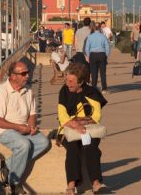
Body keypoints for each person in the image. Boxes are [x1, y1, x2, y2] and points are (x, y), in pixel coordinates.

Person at [0, 61, 50, 195]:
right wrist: (19, 128)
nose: (27, 76)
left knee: (44, 142)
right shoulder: (1, 92)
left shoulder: (28, 90)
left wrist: (31, 126)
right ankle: (14, 183)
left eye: (27, 72)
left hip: (22, 128)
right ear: (12, 76)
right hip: (3, 129)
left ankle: (8, 166)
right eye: (23, 73)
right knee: (24, 144)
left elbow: (32, 113)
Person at [57, 63, 108, 195]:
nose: (68, 84)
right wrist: (75, 124)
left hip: (88, 130)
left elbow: (96, 117)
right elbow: (62, 117)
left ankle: (96, 183)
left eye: (71, 81)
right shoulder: (64, 92)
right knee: (73, 148)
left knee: (91, 147)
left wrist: (79, 122)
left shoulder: (92, 92)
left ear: (81, 82)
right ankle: (71, 185)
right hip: (68, 130)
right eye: (66, 80)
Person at [84, 25, 110, 95]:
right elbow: (107, 47)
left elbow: (87, 48)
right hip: (102, 54)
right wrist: (106, 56)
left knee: (94, 73)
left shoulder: (90, 37)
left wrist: (88, 56)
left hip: (93, 55)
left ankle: (94, 88)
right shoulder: (103, 36)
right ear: (100, 30)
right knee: (103, 73)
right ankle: (104, 88)